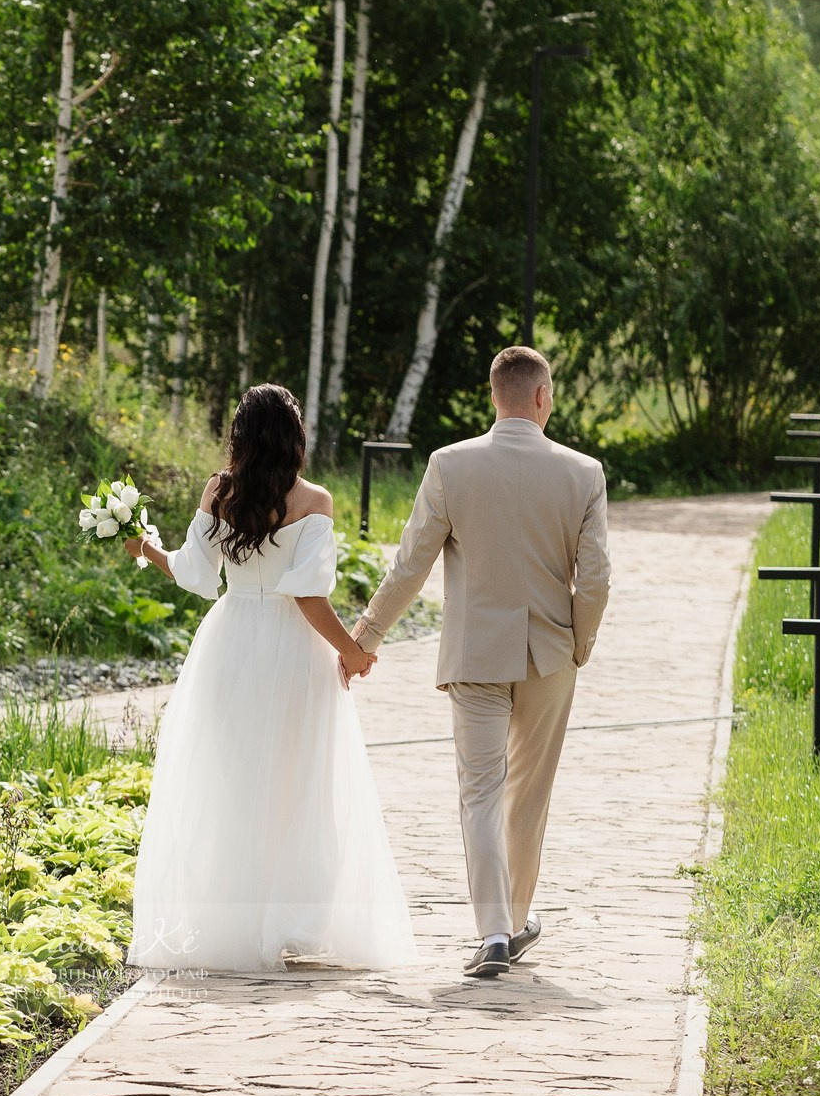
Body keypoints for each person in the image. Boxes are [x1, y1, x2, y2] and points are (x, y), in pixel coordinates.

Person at [121, 383, 415, 972]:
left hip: (229, 644)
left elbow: (194, 574)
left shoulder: (219, 492)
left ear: (239, 437)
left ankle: (235, 918)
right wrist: (354, 651)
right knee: (299, 782)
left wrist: (146, 549)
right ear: (295, 437)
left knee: (233, 781)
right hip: (292, 652)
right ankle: (288, 921)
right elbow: (306, 595)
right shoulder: (314, 501)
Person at [348, 346, 610, 978]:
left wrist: (365, 637)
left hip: (475, 659)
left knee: (481, 795)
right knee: (529, 797)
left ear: (494, 397)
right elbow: (596, 580)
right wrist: (578, 644)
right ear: (543, 396)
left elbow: (411, 563)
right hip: (550, 657)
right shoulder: (583, 472)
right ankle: (517, 923)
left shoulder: (449, 465)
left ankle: (492, 932)